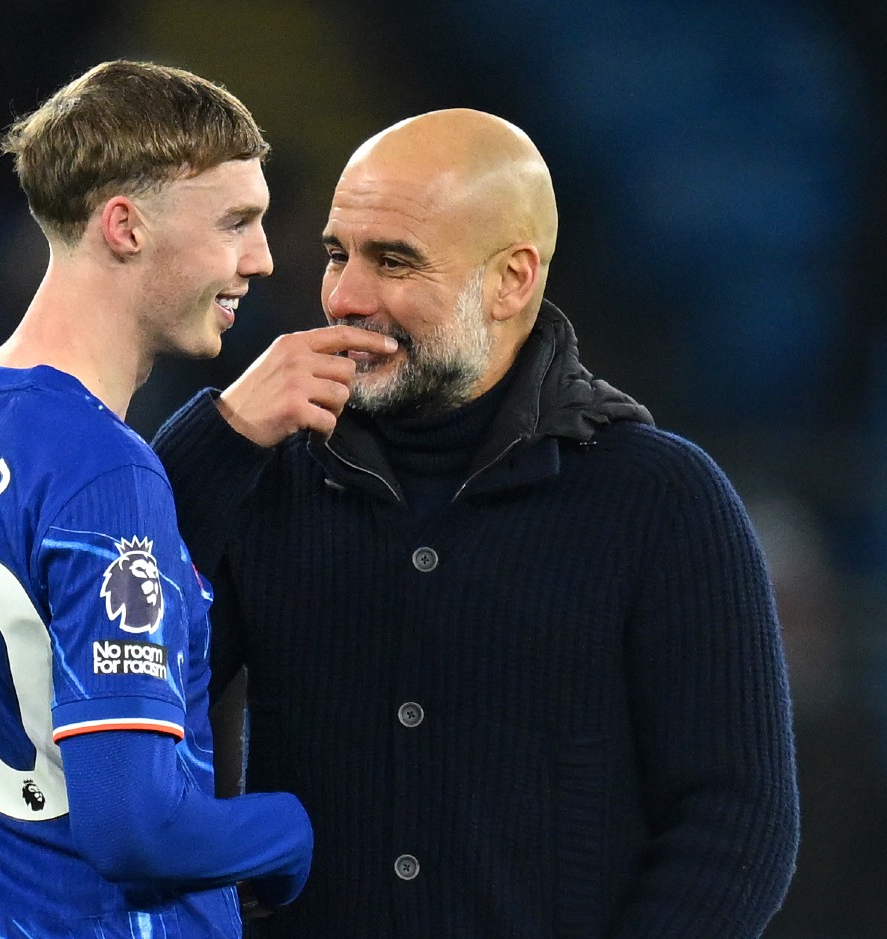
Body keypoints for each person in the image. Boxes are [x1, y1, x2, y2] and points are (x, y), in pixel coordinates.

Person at [152, 109, 800, 937]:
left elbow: (737, 824)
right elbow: (115, 673)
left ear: (512, 281)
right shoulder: (267, 469)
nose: (346, 296)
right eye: (337, 253)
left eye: (394, 261)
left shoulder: (661, 498)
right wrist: (221, 437)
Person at [0, 60, 354, 938]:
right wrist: (293, 833)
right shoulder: (107, 474)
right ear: (125, 226)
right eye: (235, 223)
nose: (260, 258)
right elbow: (136, 827)